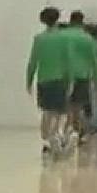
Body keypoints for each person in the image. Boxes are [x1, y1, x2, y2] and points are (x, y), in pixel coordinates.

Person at [25, 8, 75, 157]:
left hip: (44, 80)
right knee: (60, 112)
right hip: (60, 80)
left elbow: (33, 62)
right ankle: (57, 135)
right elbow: (69, 61)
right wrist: (71, 80)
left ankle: (46, 140)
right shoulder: (64, 38)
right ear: (58, 19)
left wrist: (28, 81)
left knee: (47, 111)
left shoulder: (39, 39)